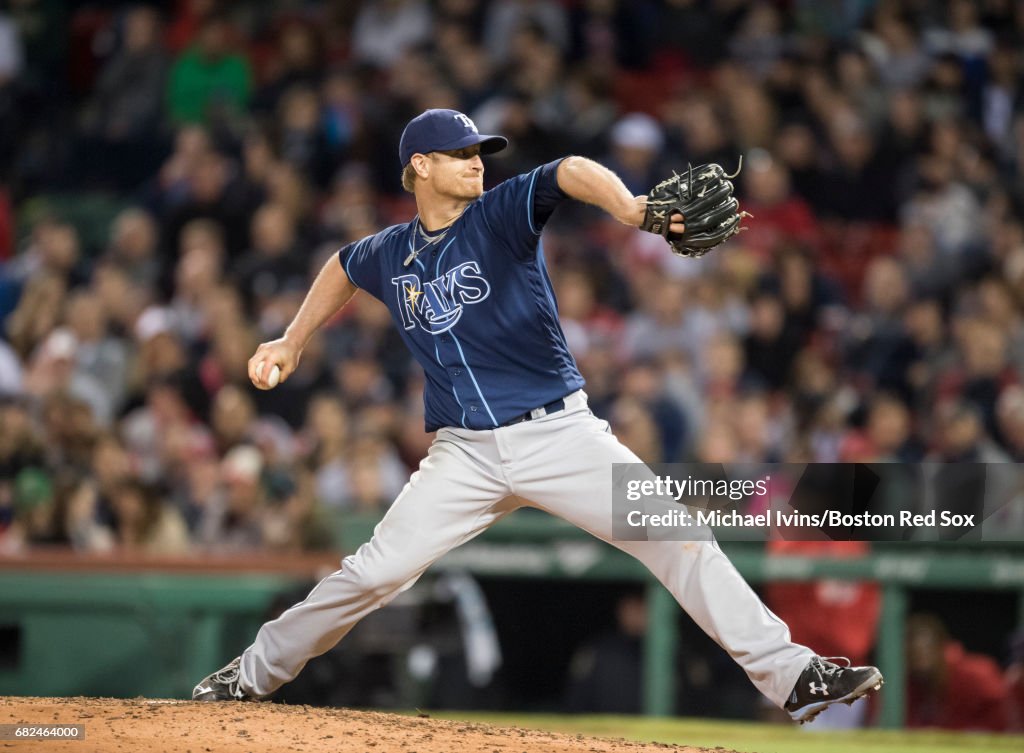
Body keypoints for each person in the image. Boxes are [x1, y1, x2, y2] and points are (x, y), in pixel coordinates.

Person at [192, 108, 883, 723]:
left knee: (678, 534)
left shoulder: (499, 214)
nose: (476, 164)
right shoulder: (389, 252)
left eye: (479, 153)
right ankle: (248, 676)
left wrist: (632, 207)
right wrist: (291, 338)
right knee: (373, 573)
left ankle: (794, 677)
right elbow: (341, 265)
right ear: (420, 168)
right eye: (461, 155)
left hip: (559, 433)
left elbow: (570, 170)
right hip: (461, 454)